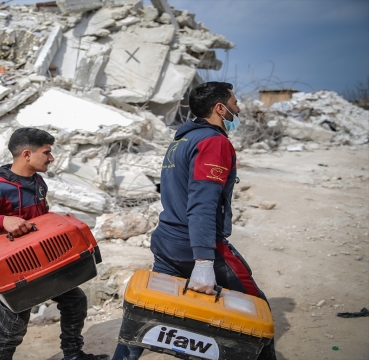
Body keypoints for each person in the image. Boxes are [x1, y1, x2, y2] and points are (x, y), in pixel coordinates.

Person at [112, 82, 276, 360]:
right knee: (257, 307)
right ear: (219, 109)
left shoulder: (181, 140)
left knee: (147, 311)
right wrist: (203, 262)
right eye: (234, 102)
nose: (239, 107)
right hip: (194, 243)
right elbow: (202, 203)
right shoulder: (213, 142)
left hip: (167, 239)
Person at [0, 128, 109, 360]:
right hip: (14, 271)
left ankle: (73, 354)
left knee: (75, 301)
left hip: (44, 263)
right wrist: (2, 220)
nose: (51, 158)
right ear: (26, 154)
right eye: (46, 153)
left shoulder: (38, 182)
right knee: (14, 325)